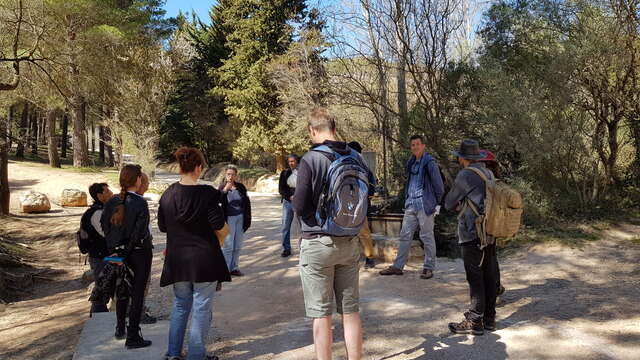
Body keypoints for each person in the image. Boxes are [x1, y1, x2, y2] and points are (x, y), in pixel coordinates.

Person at [292, 108, 369, 360]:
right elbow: (371, 190)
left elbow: (300, 206)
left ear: (312, 130)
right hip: (349, 240)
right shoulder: (356, 156)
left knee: (321, 315)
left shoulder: (311, 159)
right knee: (351, 311)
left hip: (318, 243)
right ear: (334, 127)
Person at [159, 147, 231, 360]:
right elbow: (218, 223)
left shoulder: (168, 194)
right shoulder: (208, 194)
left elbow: (163, 226)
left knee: (180, 306)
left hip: (177, 261)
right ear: (198, 167)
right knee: (201, 308)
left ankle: (173, 354)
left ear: (180, 167)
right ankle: (196, 355)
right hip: (204, 261)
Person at [444, 139, 499, 336]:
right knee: (489, 274)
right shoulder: (488, 172)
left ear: (463, 158)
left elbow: (449, 203)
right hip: (491, 230)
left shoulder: (465, 175)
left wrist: (459, 204)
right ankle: (490, 319)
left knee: (474, 276)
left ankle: (475, 320)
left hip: (472, 231)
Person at [101, 164, 153, 349]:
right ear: (138, 179)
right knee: (137, 293)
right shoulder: (140, 202)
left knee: (121, 288)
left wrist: (114, 248)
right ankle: (133, 336)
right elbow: (139, 232)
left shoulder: (111, 201)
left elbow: (104, 225)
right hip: (139, 253)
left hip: (116, 252)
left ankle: (120, 327)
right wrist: (126, 250)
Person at [379, 135, 445, 279]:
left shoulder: (430, 163)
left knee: (427, 236)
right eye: (412, 145)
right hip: (411, 204)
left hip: (425, 204)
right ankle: (398, 266)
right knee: (405, 235)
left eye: (417, 144)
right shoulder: (411, 162)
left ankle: (428, 267)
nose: (415, 147)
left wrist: (437, 204)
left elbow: (439, 185)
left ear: (423, 146)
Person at [82, 182, 113, 314]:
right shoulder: (97, 213)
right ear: (99, 196)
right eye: (107, 191)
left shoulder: (103, 210)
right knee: (101, 291)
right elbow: (107, 234)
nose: (111, 193)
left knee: (107, 287)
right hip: (100, 257)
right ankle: (96, 322)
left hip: (104, 256)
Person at [479, 150, 506, 300]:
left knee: (486, 258)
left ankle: (492, 290)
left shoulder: (484, 180)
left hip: (484, 224)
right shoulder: (498, 181)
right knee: (491, 256)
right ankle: (495, 287)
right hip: (495, 224)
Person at [347, 141, 377, 269]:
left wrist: (364, 200)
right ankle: (350, 258)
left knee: (364, 231)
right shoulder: (346, 166)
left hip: (360, 204)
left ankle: (370, 258)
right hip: (348, 204)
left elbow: (371, 186)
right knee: (349, 233)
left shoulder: (364, 167)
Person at [219, 165, 251, 277]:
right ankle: (225, 270)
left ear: (236, 175)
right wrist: (225, 190)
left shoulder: (240, 187)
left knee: (237, 245)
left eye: (233, 174)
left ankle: (234, 268)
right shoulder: (222, 187)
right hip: (228, 219)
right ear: (225, 175)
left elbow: (247, 203)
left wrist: (247, 219)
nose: (231, 176)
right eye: (228, 174)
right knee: (228, 246)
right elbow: (217, 201)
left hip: (240, 218)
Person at [135, 172, 157, 325]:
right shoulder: (137, 202)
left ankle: (139, 309)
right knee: (141, 284)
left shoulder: (136, 200)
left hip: (143, 247)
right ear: (139, 183)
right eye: (146, 182)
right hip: (140, 250)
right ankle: (138, 313)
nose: (148, 185)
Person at [279, 154, 300, 257]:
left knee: (302, 226)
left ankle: (303, 248)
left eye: (293, 161)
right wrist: (289, 196)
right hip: (288, 202)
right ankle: (286, 248)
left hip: (300, 201)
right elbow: (281, 189)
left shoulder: (302, 172)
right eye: (289, 161)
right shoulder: (284, 173)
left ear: (297, 161)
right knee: (285, 226)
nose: (291, 163)